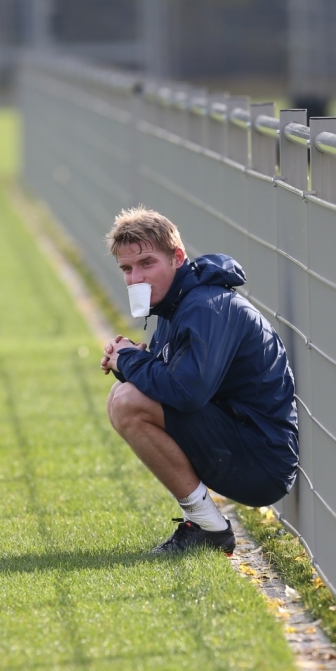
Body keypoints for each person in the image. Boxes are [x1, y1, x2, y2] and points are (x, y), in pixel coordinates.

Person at [101, 207, 298, 555]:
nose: (135, 279)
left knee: (127, 402)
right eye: (127, 269)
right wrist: (128, 361)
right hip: (239, 441)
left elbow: (185, 393)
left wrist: (131, 359)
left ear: (177, 257)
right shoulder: (177, 304)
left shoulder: (206, 306)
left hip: (261, 463)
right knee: (122, 393)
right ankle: (204, 524)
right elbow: (175, 381)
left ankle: (208, 527)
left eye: (147, 263)